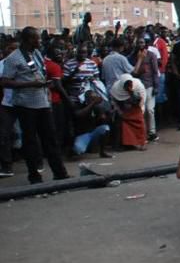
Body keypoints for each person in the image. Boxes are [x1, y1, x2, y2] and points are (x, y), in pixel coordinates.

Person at [0, 27, 69, 184]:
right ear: (28, 40)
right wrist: (30, 84)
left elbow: (38, 72)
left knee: (50, 139)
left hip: (42, 102)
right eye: (36, 38)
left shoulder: (36, 54)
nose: (39, 41)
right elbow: (4, 81)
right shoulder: (14, 58)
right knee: (30, 141)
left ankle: (60, 173)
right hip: (25, 105)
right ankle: (34, 177)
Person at [131, 36, 160, 141]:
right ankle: (143, 133)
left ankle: (152, 132)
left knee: (150, 109)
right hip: (138, 86)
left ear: (145, 44)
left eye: (142, 42)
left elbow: (155, 71)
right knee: (141, 111)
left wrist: (156, 86)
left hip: (149, 85)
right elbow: (132, 73)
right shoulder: (133, 56)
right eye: (138, 43)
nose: (140, 45)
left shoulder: (151, 55)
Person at [71, 89, 113, 158]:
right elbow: (78, 114)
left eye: (95, 98)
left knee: (105, 128)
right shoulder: (80, 105)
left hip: (93, 133)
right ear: (87, 99)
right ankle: (73, 150)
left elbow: (103, 121)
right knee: (78, 150)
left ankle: (102, 152)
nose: (94, 99)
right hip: (82, 134)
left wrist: (105, 115)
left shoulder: (97, 107)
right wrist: (92, 103)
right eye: (92, 98)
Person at [110, 75, 148, 151]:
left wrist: (141, 110)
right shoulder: (115, 89)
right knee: (124, 127)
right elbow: (114, 101)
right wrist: (119, 111)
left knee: (141, 126)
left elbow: (142, 100)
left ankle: (141, 143)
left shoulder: (138, 86)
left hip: (136, 109)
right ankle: (128, 144)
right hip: (124, 110)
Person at [0, 40, 18, 177]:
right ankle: (7, 167)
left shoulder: (26, 63)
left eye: (15, 49)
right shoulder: (1, 65)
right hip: (7, 103)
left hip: (24, 103)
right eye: (10, 48)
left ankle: (36, 163)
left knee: (30, 134)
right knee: (4, 134)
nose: (12, 51)